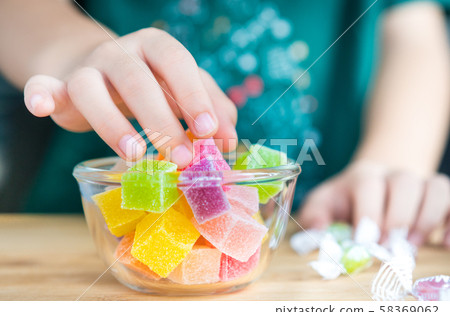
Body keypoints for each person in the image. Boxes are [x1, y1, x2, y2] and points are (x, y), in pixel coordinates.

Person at [0, 0, 449, 247]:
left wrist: (392, 160)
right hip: (71, 233)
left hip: (314, 223)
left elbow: (414, 26)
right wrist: (77, 57)